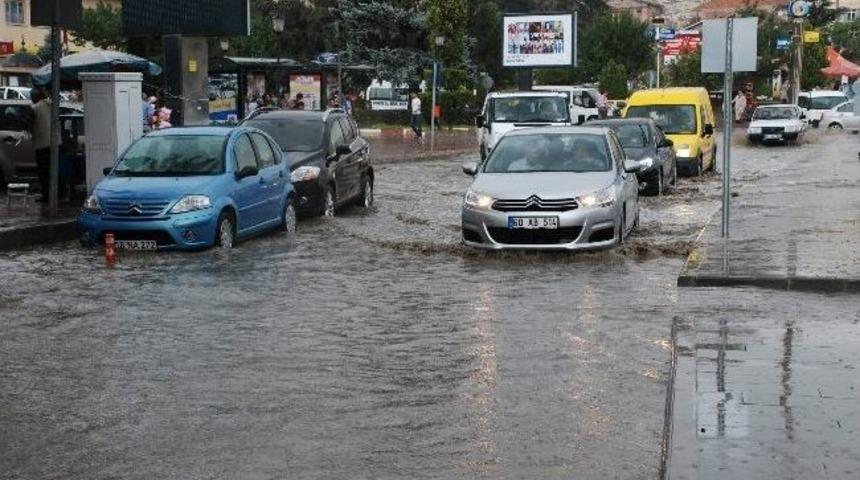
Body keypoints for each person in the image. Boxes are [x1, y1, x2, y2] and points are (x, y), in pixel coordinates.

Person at [31, 87, 52, 203]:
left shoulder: (35, 108)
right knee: (52, 171)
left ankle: (47, 195)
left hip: (41, 144)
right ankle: (56, 193)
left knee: (43, 172)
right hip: (54, 143)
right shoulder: (51, 104)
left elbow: (28, 124)